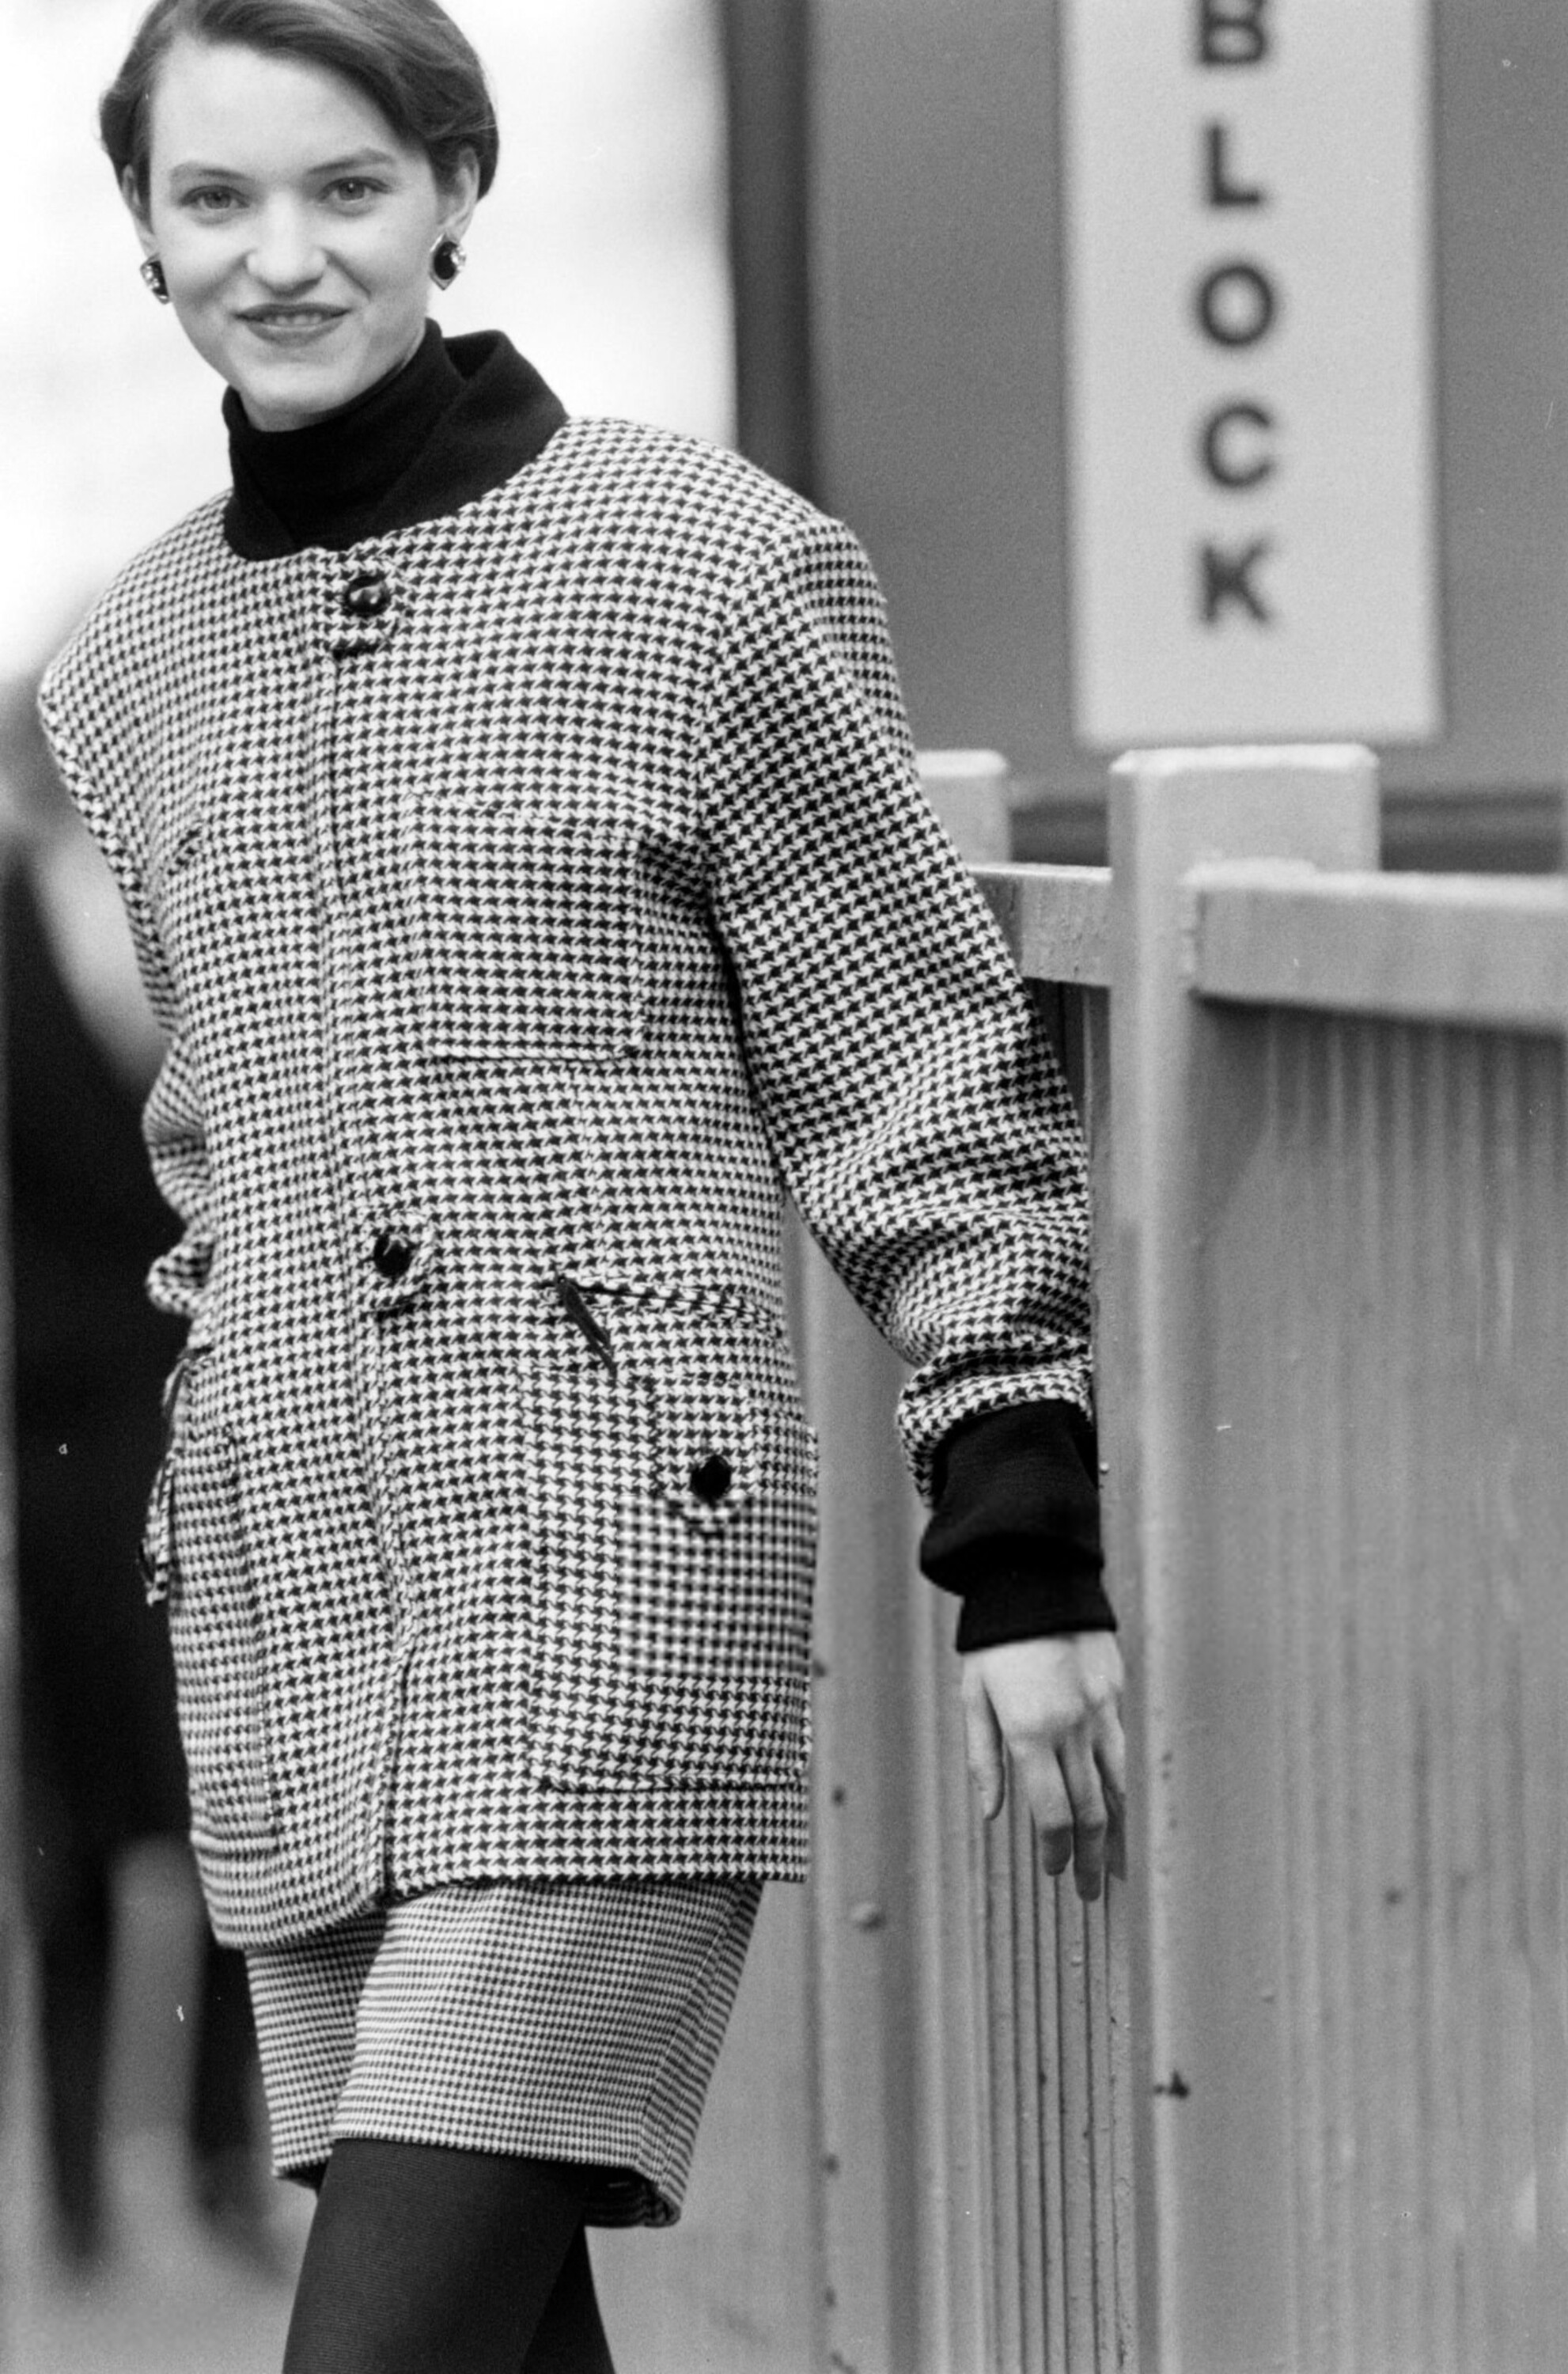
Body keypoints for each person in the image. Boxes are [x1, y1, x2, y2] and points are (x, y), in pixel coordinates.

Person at [37, 2, 1126, 2365]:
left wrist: (1021, 1552)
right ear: (142, 229)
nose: (282, 255)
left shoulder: (708, 566)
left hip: (612, 1574)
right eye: (217, 197)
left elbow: (917, 1069)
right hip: (294, 1609)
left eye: (347, 187)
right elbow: (215, 1152)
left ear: (455, 189)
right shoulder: (125, 665)